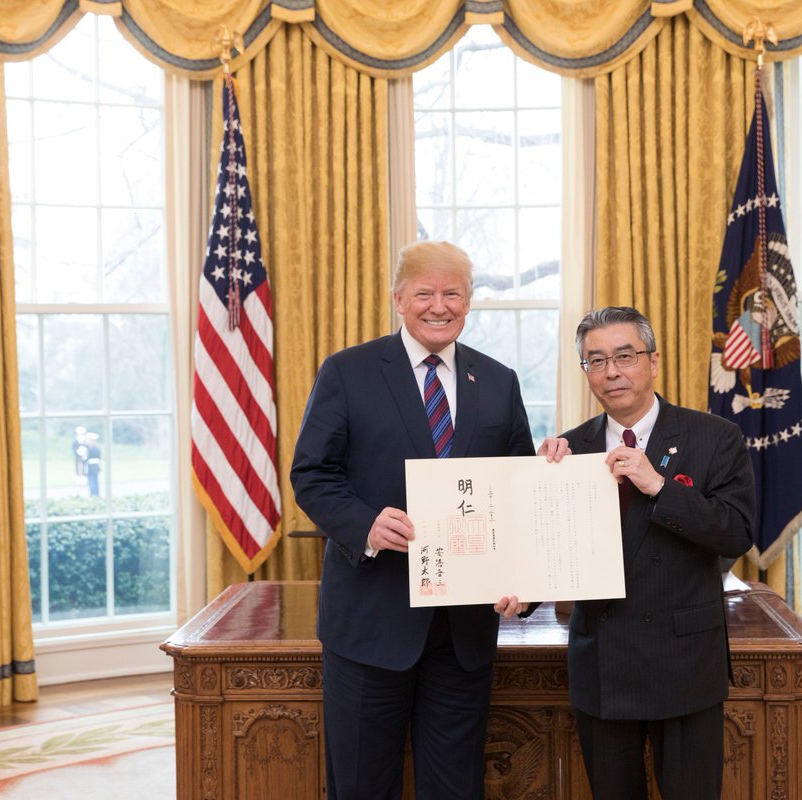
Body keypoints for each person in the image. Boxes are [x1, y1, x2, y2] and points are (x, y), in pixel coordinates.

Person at [290, 240, 535, 800]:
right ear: (399, 299)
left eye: (452, 293)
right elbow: (312, 473)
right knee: (360, 787)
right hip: (370, 625)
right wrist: (363, 525)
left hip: (463, 632)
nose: (438, 305)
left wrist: (529, 573)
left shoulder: (499, 381)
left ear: (469, 302)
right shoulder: (348, 372)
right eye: (424, 293)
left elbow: (518, 487)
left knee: (455, 787)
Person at [531, 306, 755, 800]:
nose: (612, 372)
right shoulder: (566, 451)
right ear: (585, 372)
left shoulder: (715, 438)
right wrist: (518, 594)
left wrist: (658, 486)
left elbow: (736, 533)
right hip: (604, 665)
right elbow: (548, 549)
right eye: (596, 361)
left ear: (653, 361)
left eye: (625, 355)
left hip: (685, 662)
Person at [83, 432, 101, 497]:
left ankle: (93, 494)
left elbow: (85, 458)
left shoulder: (88, 449)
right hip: (96, 466)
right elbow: (99, 457)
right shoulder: (97, 448)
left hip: (90, 466)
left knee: (91, 481)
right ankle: (96, 494)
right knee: (95, 480)